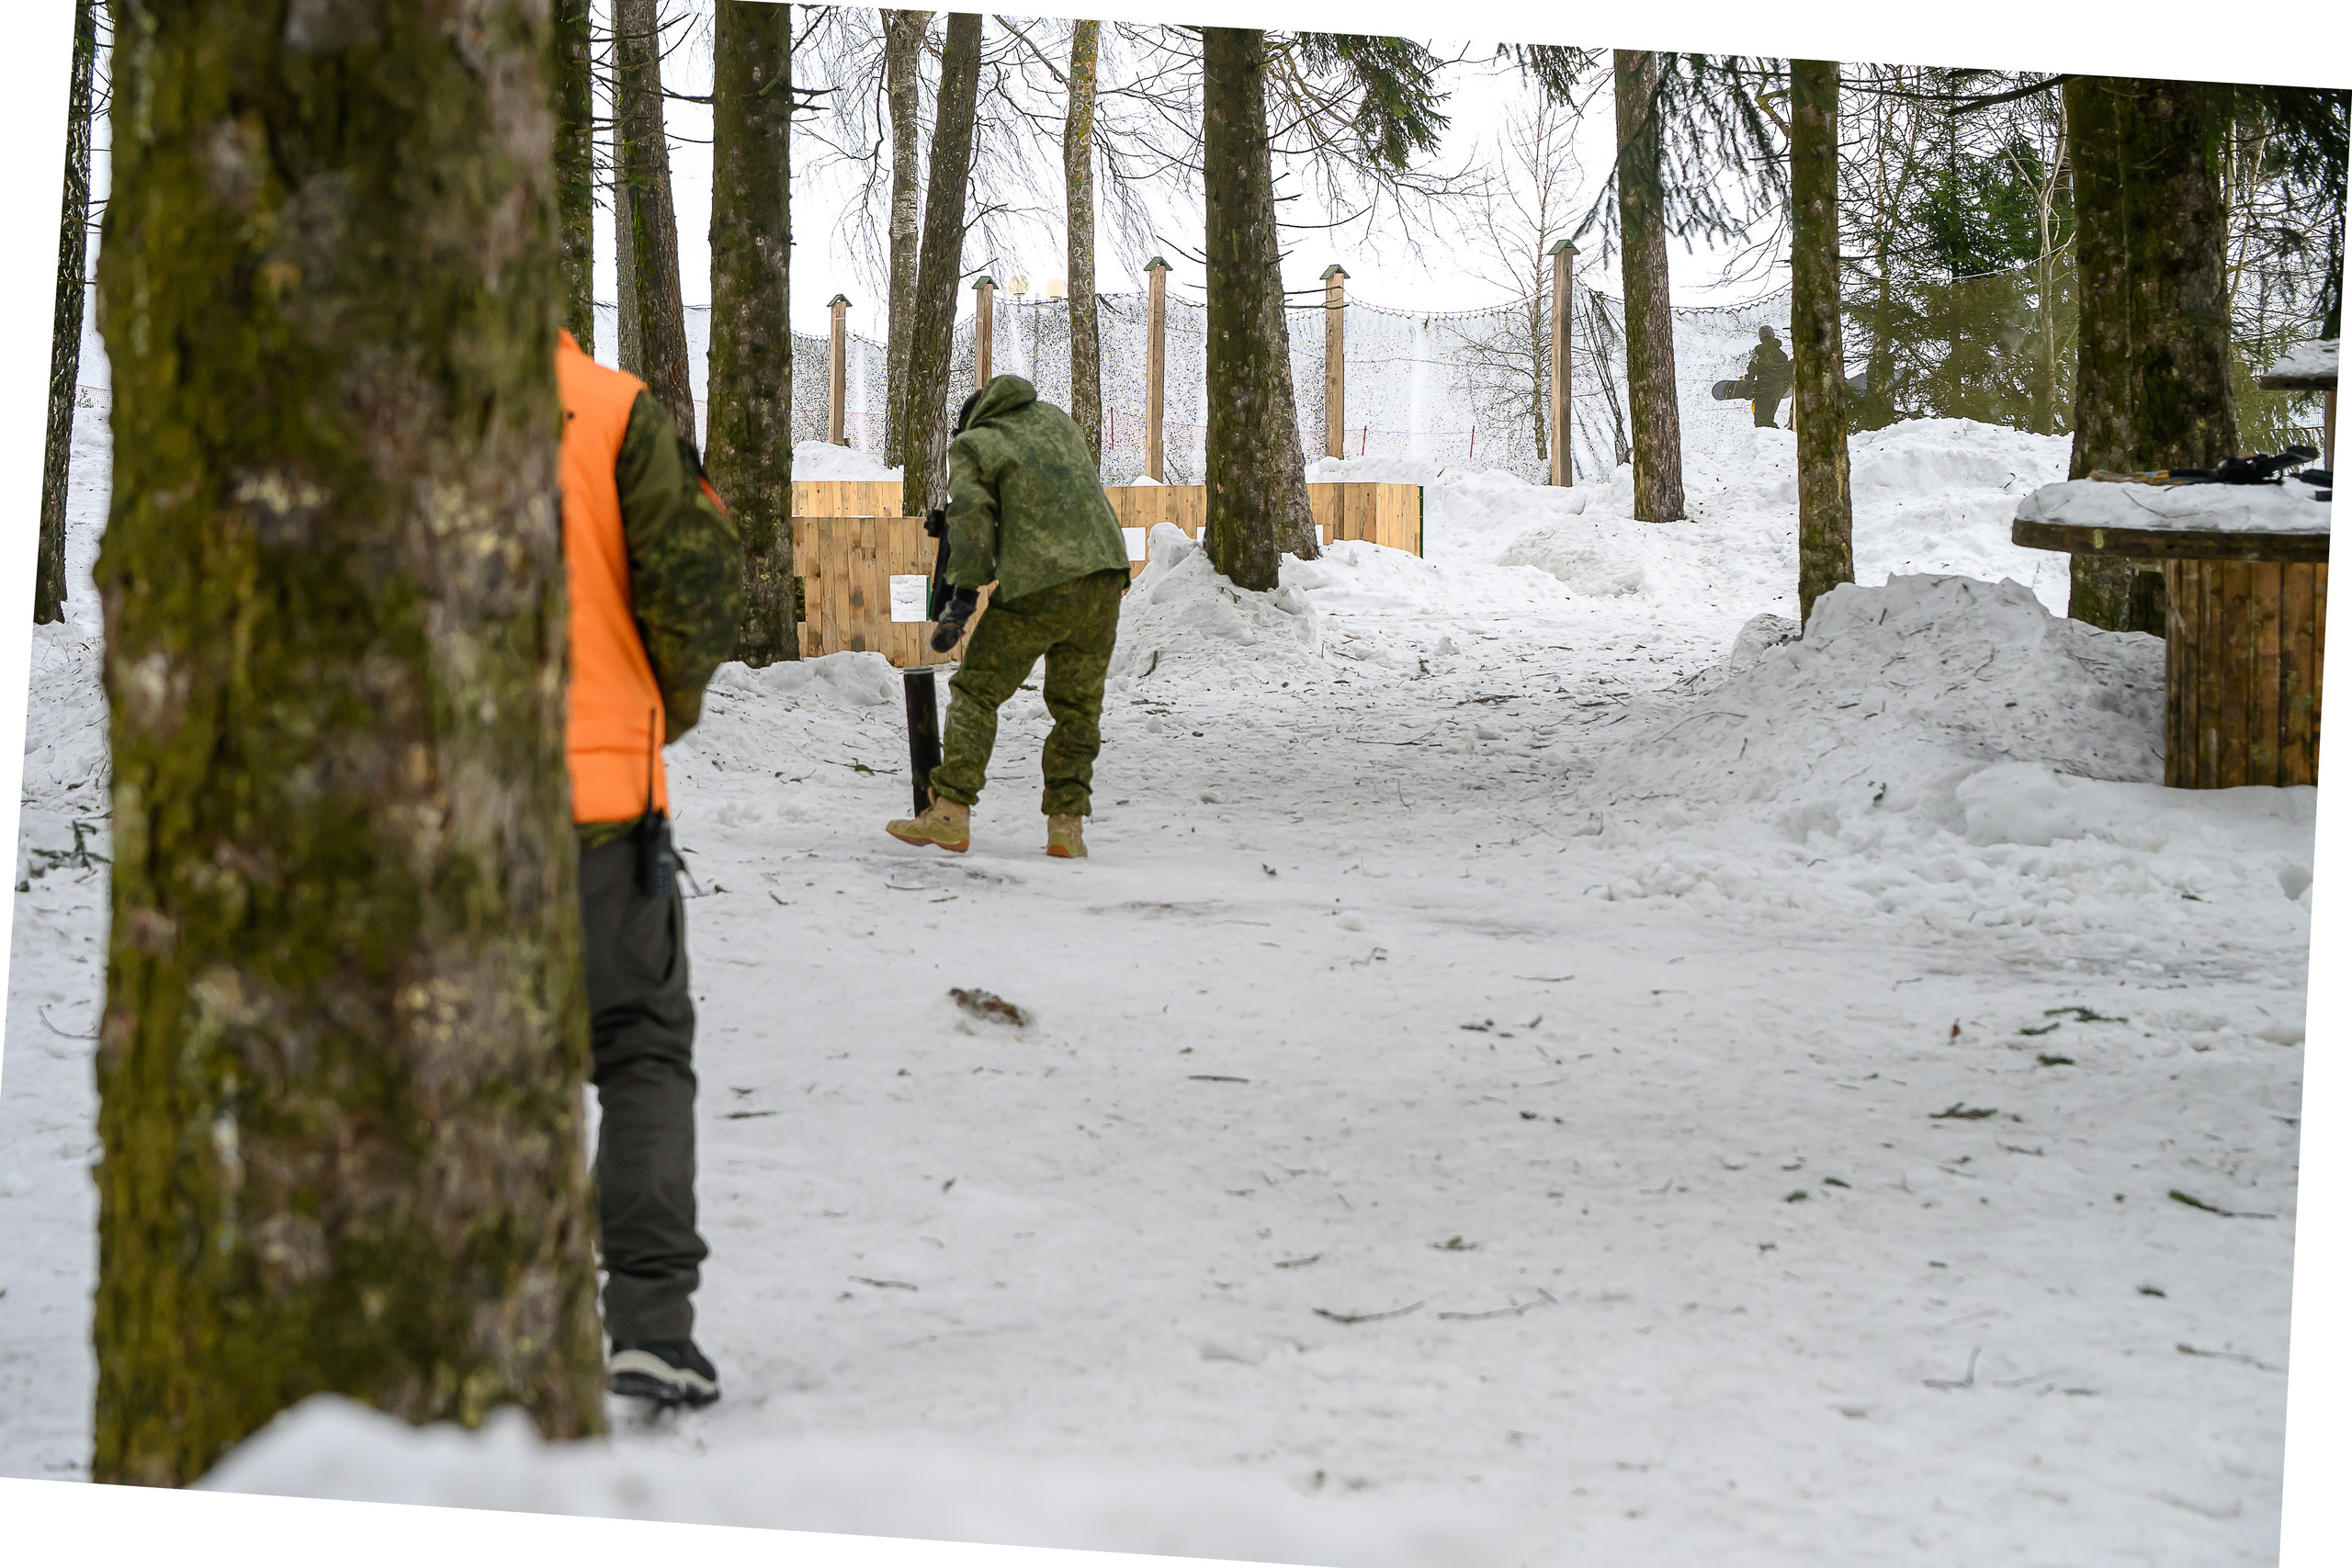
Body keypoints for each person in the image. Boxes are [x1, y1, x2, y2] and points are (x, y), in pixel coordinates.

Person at [555, 329, 743, 1407]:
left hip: (399, 823)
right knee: (638, 1053)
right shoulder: (608, 408)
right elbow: (698, 593)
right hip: (592, 810)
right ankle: (651, 1329)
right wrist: (649, 706)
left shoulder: (343, 397)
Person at [887, 375, 1128, 859]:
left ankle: (950, 812)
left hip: (1038, 584)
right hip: (1104, 573)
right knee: (1077, 706)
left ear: (971, 420)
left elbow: (976, 520)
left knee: (977, 691)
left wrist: (963, 596)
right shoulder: (1057, 421)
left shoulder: (974, 444)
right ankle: (1067, 827)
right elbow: (1043, 501)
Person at [1746, 324, 1792, 428]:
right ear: (1772, 335)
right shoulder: (1782, 354)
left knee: (1761, 421)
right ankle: (1775, 438)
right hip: (1779, 388)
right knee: (1769, 417)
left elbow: (1752, 371)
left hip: (1764, 388)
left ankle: (1771, 440)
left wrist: (1747, 384)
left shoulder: (1759, 353)